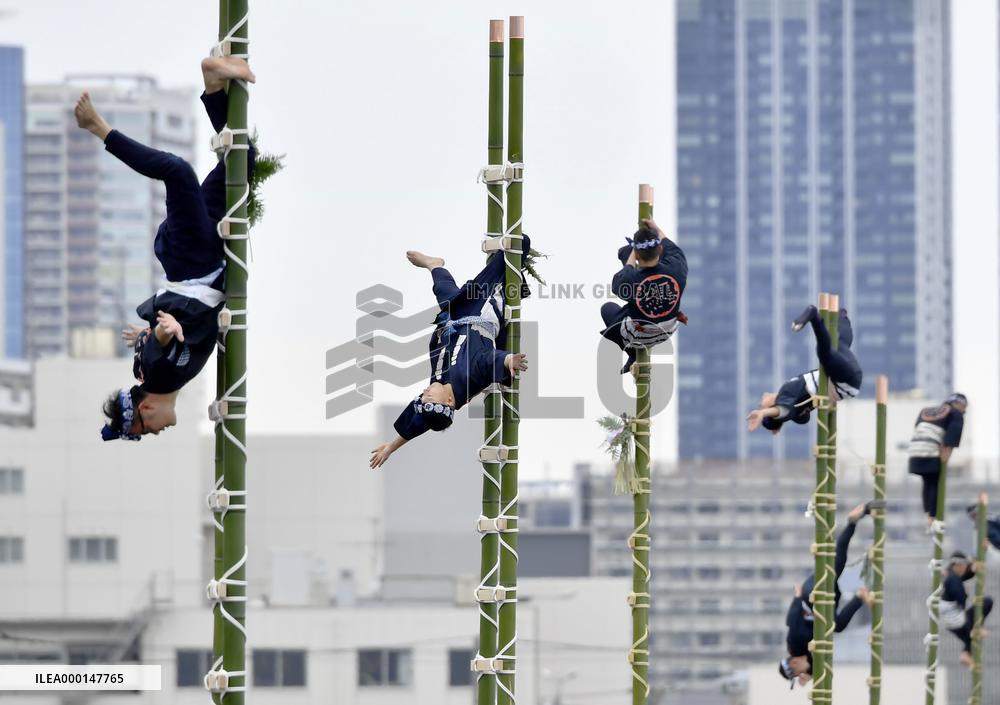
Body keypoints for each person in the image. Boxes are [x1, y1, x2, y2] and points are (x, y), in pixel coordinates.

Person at [82, 58, 257, 441]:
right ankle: (213, 86)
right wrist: (153, 334)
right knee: (242, 161)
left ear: (145, 409)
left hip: (191, 261)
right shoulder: (150, 374)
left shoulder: (159, 375)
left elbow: (161, 342)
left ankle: (99, 129)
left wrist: (165, 331)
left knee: (177, 171)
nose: (156, 432)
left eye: (147, 430)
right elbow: (153, 345)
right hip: (198, 262)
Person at [369, 237, 532, 468]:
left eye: (423, 396)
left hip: (452, 318)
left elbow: (418, 421)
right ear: (447, 401)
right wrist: (508, 360)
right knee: (519, 244)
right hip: (478, 310)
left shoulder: (440, 392)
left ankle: (434, 264)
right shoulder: (468, 379)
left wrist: (391, 447)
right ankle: (513, 281)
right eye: (429, 396)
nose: (425, 391)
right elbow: (487, 361)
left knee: (444, 290)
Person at [778, 502, 879, 687]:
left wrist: (798, 596)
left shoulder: (795, 642)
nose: (801, 675)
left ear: (794, 663)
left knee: (837, 563)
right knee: (837, 625)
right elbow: (817, 667)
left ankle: (852, 521)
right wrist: (810, 675)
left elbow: (791, 619)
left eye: (797, 673)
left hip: (812, 597)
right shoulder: (807, 656)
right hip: (821, 608)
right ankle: (859, 596)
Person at [748, 305, 862, 434]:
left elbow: (801, 416)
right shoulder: (786, 398)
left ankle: (842, 315)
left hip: (843, 375)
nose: (761, 399)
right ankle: (814, 317)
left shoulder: (793, 401)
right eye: (760, 404)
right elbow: (783, 411)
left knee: (837, 344)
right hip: (843, 383)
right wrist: (763, 413)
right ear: (771, 407)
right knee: (825, 352)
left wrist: (775, 423)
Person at [600, 218, 687, 374]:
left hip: (640, 335)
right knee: (639, 305)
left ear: (637, 256)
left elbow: (619, 281)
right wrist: (656, 229)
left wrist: (632, 254)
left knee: (607, 309)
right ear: (660, 250)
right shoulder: (677, 267)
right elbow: (672, 249)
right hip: (668, 329)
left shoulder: (630, 280)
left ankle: (632, 352)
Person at [907, 393, 967, 525]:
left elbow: (917, 427)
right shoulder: (955, 413)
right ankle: (933, 516)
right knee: (935, 482)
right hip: (931, 450)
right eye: (964, 408)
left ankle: (928, 512)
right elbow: (953, 433)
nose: (964, 411)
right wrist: (947, 453)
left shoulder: (926, 410)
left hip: (915, 449)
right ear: (959, 404)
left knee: (927, 481)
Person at [939, 551, 993, 669]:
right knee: (987, 602)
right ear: (957, 565)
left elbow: (964, 576)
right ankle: (975, 630)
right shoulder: (953, 579)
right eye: (964, 565)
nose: (965, 568)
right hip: (959, 621)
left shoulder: (950, 575)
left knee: (972, 639)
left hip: (951, 624)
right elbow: (961, 598)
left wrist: (973, 569)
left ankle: (966, 653)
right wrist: (972, 600)